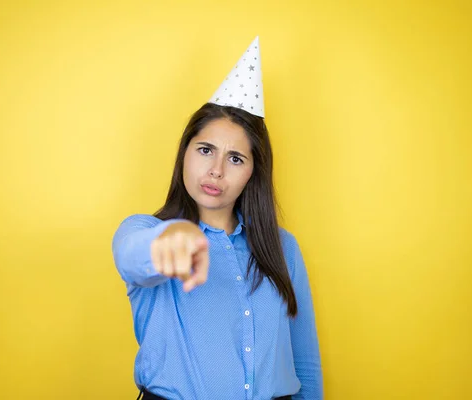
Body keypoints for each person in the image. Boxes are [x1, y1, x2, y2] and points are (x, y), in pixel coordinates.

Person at [112, 36, 323, 400]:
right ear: (185, 154)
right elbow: (132, 256)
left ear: (253, 172)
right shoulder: (145, 230)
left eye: (236, 158)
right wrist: (171, 241)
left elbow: (304, 362)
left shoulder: (283, 248)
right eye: (206, 150)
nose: (216, 170)